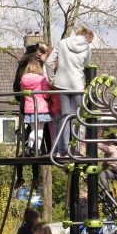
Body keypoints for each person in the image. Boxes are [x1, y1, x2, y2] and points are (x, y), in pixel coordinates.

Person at [45, 27, 94, 155]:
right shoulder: (87, 48)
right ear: (86, 37)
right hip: (77, 84)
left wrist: (52, 79)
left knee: (65, 116)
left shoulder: (62, 43)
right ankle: (76, 149)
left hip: (62, 83)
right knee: (78, 117)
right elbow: (87, 66)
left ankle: (64, 149)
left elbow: (49, 62)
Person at [20, 53, 58, 155]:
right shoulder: (41, 79)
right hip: (41, 108)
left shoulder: (23, 79)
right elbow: (45, 95)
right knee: (40, 129)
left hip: (29, 109)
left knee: (33, 129)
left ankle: (28, 148)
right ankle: (37, 149)